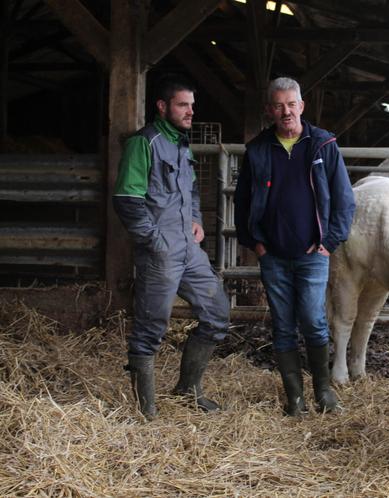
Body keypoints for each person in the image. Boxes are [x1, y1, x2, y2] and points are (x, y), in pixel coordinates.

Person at [234, 77, 355, 416]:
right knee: (282, 324)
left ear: (301, 106)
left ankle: (324, 392)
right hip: (272, 255)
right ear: (269, 110)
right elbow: (242, 202)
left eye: (291, 104)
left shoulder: (322, 145)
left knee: (313, 320)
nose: (285, 111)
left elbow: (344, 200)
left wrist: (329, 242)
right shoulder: (258, 150)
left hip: (312, 254)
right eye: (278, 105)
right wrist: (254, 242)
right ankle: (295, 398)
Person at [112, 74, 230, 420]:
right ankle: (146, 411)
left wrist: (195, 218)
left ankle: (189, 389)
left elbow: (191, 190)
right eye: (183, 105)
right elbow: (127, 200)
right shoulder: (143, 144)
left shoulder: (181, 143)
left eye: (192, 106)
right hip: (160, 250)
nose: (190, 111)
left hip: (188, 248)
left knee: (218, 313)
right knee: (151, 326)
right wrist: (153, 240)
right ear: (162, 107)